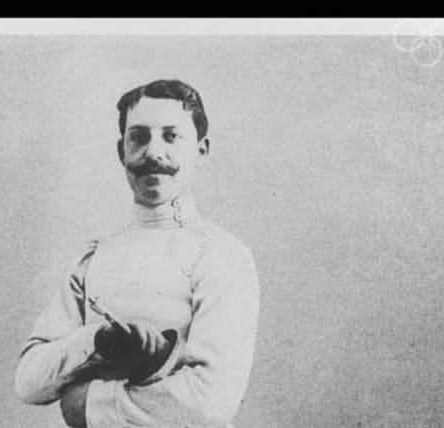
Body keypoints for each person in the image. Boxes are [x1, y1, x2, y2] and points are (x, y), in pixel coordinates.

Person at [14, 79, 260, 428]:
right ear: (122, 151)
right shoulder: (96, 256)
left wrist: (88, 406)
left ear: (201, 149)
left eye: (171, 136)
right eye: (139, 137)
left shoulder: (223, 256)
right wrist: (97, 340)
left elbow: (210, 400)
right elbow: (28, 381)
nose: (153, 153)